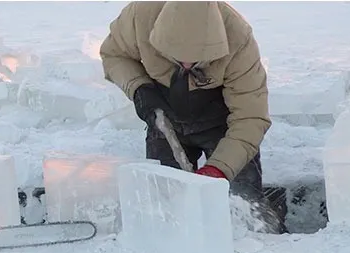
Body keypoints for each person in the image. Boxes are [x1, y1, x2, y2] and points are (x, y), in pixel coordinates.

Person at [100, 1, 287, 233]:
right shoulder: (140, 16)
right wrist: (139, 88)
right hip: (165, 120)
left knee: (243, 203)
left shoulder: (238, 39)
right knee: (164, 206)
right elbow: (114, 54)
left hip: (223, 127)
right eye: (178, 59)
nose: (187, 65)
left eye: (198, 60)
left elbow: (251, 117)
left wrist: (219, 168)